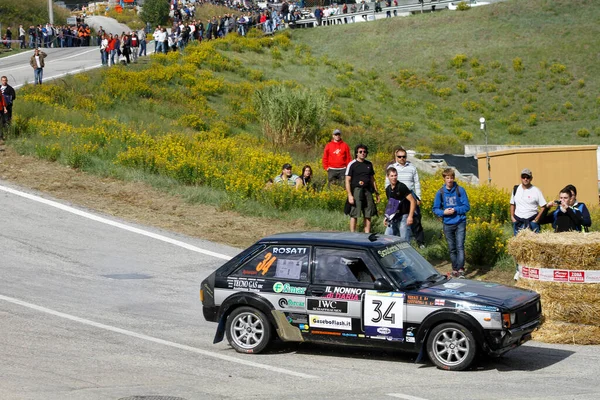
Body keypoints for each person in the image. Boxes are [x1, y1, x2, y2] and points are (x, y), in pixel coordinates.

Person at [432, 168, 470, 277]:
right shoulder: (440, 192)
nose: (450, 180)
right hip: (447, 223)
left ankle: (461, 269)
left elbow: (466, 207)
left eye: (451, 178)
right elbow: (435, 209)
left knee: (460, 246)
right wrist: (444, 212)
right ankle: (455, 268)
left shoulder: (460, 190)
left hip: (460, 222)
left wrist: (456, 210)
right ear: (444, 179)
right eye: (447, 178)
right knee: (452, 248)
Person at [386, 147, 425, 247]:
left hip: (410, 194)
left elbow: (417, 182)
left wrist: (418, 197)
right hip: (396, 196)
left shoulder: (412, 167)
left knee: (415, 219)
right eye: (399, 156)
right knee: (396, 220)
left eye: (404, 156)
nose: (402, 158)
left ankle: (420, 242)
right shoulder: (392, 167)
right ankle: (396, 242)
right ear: (396, 157)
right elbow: (387, 183)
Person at [345, 144, 380, 233]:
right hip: (356, 190)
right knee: (355, 213)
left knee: (368, 213)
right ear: (356, 153)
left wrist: (376, 192)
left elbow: (372, 179)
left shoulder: (369, 164)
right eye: (360, 152)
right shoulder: (352, 164)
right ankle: (352, 233)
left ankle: (367, 234)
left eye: (364, 152)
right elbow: (347, 180)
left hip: (367, 190)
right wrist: (349, 195)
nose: (362, 153)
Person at [510, 168, 547, 236]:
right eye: (523, 177)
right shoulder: (516, 189)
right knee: (518, 245)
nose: (525, 179)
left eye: (528, 177)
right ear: (521, 178)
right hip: (518, 222)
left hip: (532, 222)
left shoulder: (536, 190)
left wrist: (536, 219)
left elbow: (543, 206)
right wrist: (512, 217)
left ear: (531, 178)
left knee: (535, 244)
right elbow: (512, 204)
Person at [384, 167, 416, 241]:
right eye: (392, 176)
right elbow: (390, 204)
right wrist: (386, 217)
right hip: (393, 216)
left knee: (404, 239)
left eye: (395, 175)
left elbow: (413, 201)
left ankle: (407, 252)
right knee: (387, 237)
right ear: (388, 176)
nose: (394, 178)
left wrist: (410, 216)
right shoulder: (388, 189)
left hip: (403, 215)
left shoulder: (401, 186)